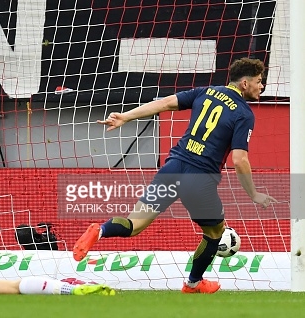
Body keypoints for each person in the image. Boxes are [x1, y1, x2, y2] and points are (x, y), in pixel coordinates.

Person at [73, 58, 277, 294]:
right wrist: (254, 194)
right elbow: (240, 160)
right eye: (259, 81)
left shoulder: (206, 91)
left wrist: (125, 116)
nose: (261, 86)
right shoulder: (244, 114)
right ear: (244, 83)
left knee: (134, 224)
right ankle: (192, 284)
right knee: (215, 234)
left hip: (173, 168)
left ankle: (99, 230)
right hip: (199, 179)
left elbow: (166, 103)